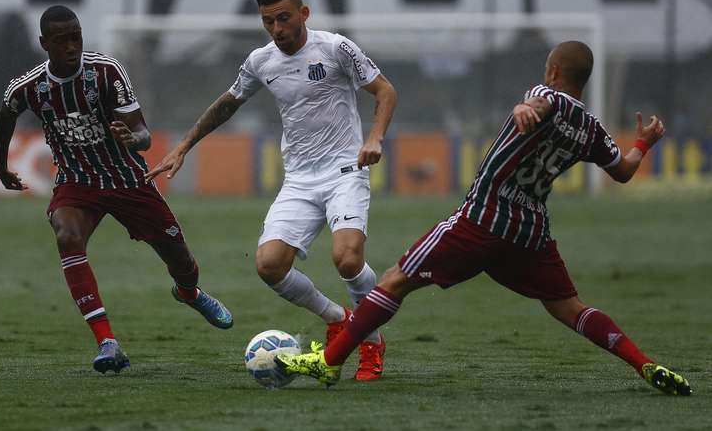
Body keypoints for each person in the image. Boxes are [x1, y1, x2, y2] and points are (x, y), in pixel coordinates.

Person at [276, 41, 692, 396]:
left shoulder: (548, 94)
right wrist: (643, 142)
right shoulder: (592, 129)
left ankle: (328, 362)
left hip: (484, 217)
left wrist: (525, 107)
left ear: (554, 70)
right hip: (530, 233)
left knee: (394, 280)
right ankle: (644, 364)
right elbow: (624, 170)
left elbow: (538, 104)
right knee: (570, 308)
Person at [146, 0, 398, 381]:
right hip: (299, 180)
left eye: (283, 18)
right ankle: (337, 318)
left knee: (347, 260)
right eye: (268, 21)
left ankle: (370, 342)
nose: (277, 30)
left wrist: (374, 138)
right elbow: (228, 104)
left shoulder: (335, 48)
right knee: (269, 264)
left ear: (304, 13)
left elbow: (385, 91)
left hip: (345, 172)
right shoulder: (262, 61)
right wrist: (183, 147)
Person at [0, 5, 233, 374]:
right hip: (77, 182)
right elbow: (6, 114)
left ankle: (189, 293)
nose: (72, 46)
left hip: (127, 179)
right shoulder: (29, 87)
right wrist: (0, 164)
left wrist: (129, 137)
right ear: (44, 44)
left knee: (182, 262)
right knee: (67, 235)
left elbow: (143, 136)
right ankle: (107, 342)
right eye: (62, 41)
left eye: (76, 36)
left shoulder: (106, 72)